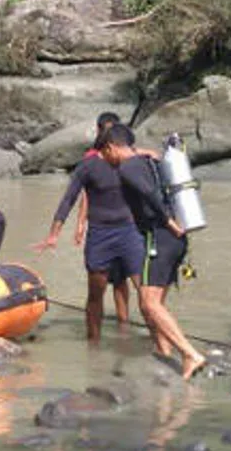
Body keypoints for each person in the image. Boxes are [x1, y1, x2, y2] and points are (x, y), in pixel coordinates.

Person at [101, 123, 206, 379]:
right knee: (154, 302)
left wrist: (167, 220)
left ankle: (190, 354)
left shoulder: (127, 167)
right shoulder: (149, 161)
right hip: (175, 240)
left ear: (112, 147)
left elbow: (148, 192)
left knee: (149, 303)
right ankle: (164, 351)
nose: (105, 159)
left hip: (160, 236)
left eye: (105, 153)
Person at [35, 120, 147, 342]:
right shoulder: (87, 167)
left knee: (145, 291)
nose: (127, 152)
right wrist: (54, 234)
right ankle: (93, 345)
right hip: (100, 236)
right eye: (122, 147)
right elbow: (68, 199)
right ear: (109, 146)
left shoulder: (131, 163)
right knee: (96, 295)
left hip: (129, 233)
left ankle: (158, 343)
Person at [75, 112, 132, 325]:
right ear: (99, 132)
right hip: (101, 227)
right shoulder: (92, 159)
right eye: (106, 131)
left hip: (124, 225)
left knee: (121, 279)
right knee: (97, 283)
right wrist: (81, 223)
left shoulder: (124, 155)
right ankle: (95, 334)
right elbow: (85, 194)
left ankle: (123, 323)